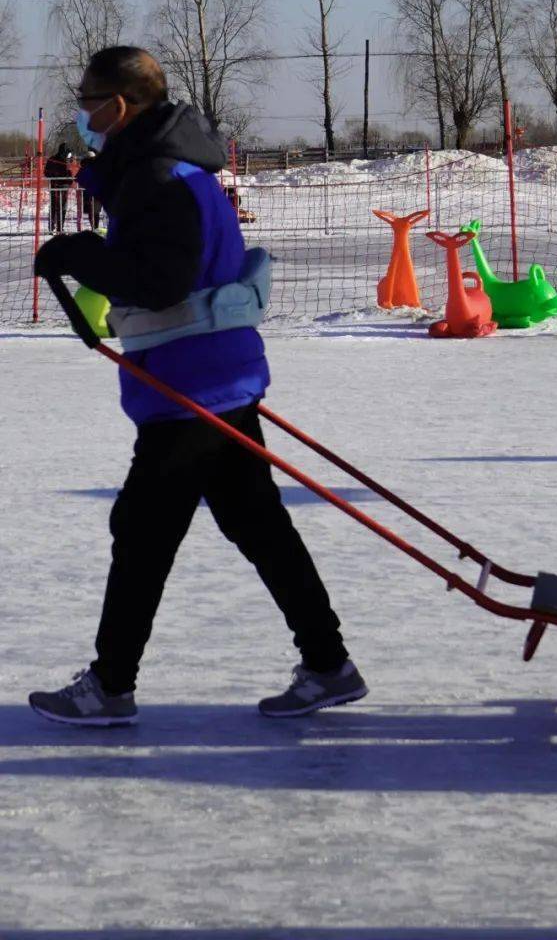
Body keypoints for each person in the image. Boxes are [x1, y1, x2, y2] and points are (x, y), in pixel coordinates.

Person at [28, 46, 365, 726]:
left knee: (144, 531)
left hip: (191, 384)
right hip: (215, 372)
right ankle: (328, 665)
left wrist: (77, 254)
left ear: (118, 107)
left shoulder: (158, 176)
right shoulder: (177, 166)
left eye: (89, 102)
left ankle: (110, 685)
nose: (82, 115)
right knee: (255, 521)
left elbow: (160, 280)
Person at [44, 141, 74, 233]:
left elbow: (71, 173)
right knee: (56, 207)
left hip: (61, 186)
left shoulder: (66, 160)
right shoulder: (55, 159)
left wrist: (69, 180)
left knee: (59, 208)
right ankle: (54, 227)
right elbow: (47, 172)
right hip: (57, 186)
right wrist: (55, 176)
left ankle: (57, 227)